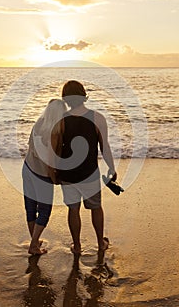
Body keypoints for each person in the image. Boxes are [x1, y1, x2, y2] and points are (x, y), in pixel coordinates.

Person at [58, 80, 117, 255]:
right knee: (96, 207)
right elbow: (104, 146)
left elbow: (55, 147)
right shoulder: (97, 117)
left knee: (73, 209)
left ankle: (77, 246)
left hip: (67, 173)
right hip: (89, 172)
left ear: (66, 98)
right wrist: (112, 168)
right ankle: (100, 243)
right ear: (83, 95)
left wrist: (52, 171)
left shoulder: (61, 119)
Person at [22, 99, 67, 255]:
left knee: (30, 207)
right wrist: (54, 179)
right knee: (44, 211)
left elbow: (30, 147)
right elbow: (50, 161)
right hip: (41, 174)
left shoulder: (38, 123)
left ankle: (34, 239)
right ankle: (34, 245)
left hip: (27, 168)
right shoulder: (55, 131)